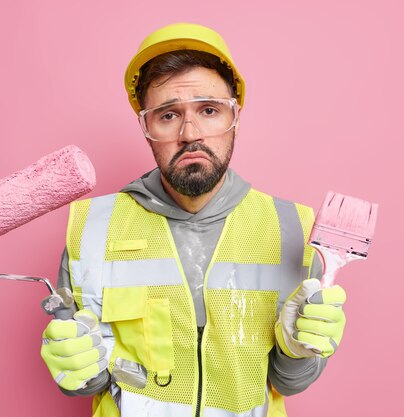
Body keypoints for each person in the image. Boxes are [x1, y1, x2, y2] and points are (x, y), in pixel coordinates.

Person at [40, 23, 347, 417]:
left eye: (208, 110)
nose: (190, 133)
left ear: (234, 117)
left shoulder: (292, 228)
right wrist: (74, 364)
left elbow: (289, 381)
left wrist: (298, 349)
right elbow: (94, 383)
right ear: (147, 129)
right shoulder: (94, 228)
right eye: (168, 115)